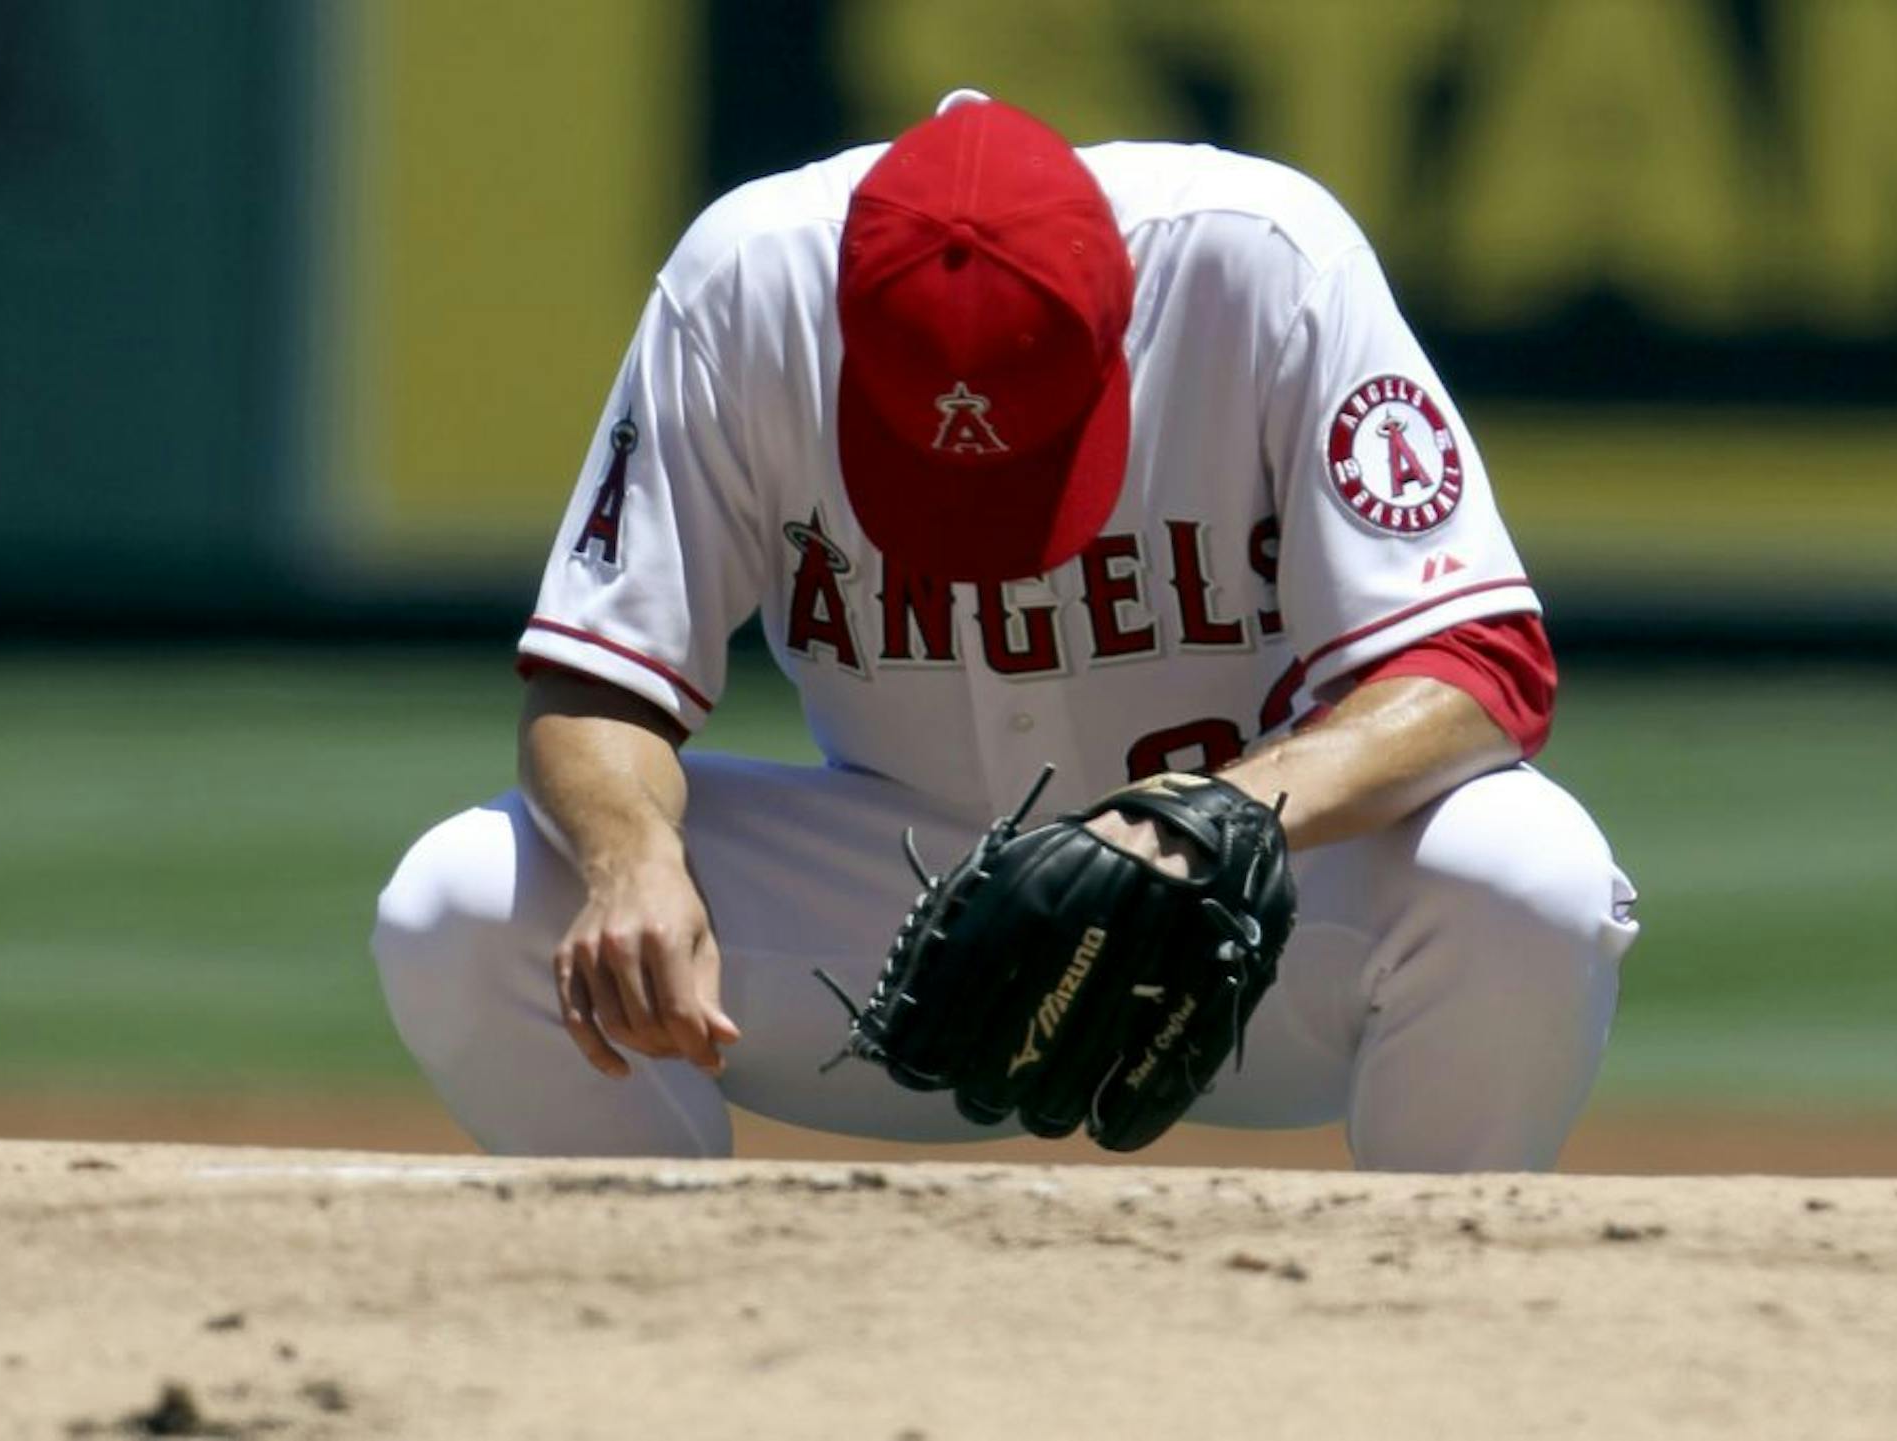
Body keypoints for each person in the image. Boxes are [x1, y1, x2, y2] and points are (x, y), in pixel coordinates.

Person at [371, 91, 1638, 1171]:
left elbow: (1480, 663)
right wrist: (629, 858)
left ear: (1115, 323)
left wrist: (1215, 818)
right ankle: (684, 1349)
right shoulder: (746, 286)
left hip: (1247, 930)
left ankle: (1430, 1357)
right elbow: (596, 683)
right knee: (467, 901)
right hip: (889, 928)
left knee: (1529, 877)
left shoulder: (1262, 263)